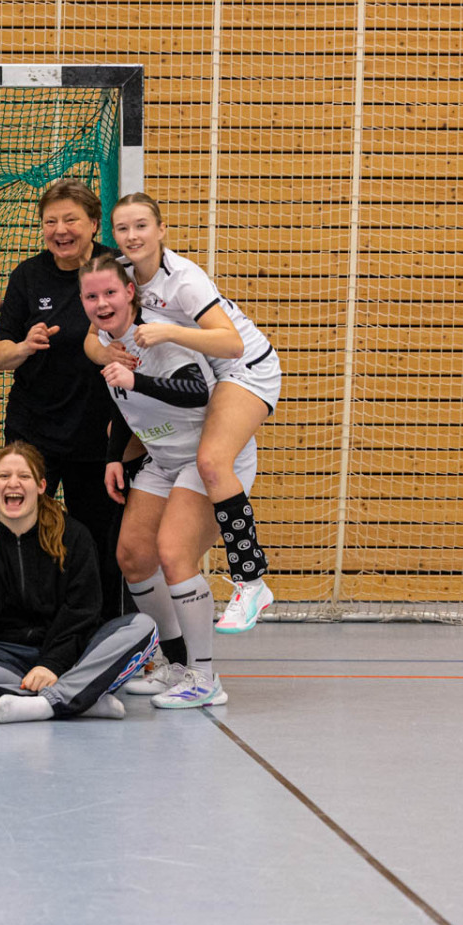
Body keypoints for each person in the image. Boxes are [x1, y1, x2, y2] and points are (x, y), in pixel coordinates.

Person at [91, 192, 282, 633]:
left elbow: (232, 343)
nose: (132, 235)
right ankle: (170, 649)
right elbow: (90, 340)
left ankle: (251, 580)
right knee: (139, 549)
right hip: (205, 373)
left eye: (141, 226)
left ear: (161, 230)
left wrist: (171, 332)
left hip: (245, 368)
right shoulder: (121, 273)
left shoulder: (184, 281)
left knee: (211, 460)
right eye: (123, 228)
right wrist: (108, 353)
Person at [82, 254, 247, 708]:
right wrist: (114, 458)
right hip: (162, 458)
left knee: (174, 555)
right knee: (133, 557)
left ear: (129, 292)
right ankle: (174, 664)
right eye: (91, 296)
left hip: (204, 458)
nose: (102, 303)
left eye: (110, 293)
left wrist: (136, 380)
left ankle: (205, 678)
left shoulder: (157, 335)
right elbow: (123, 402)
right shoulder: (107, 340)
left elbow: (196, 390)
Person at [0, 443, 158, 723]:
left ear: (41, 486)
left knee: (143, 627)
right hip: (10, 658)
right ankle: (79, 698)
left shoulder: (74, 535)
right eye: (4, 476)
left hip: (74, 653)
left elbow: (83, 612)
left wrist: (52, 664)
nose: (13, 483)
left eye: (24, 476)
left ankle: (47, 700)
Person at [0, 177, 124, 618]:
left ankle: (104, 629)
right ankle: (28, 624)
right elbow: (0, 356)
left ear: (94, 223)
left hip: (98, 432)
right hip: (35, 430)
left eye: (71, 220)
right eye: (50, 221)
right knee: (28, 529)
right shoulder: (28, 275)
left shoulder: (116, 269)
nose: (60, 230)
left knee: (101, 536)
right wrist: (25, 346)